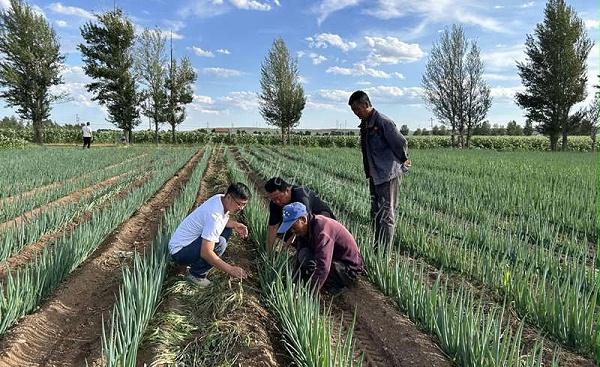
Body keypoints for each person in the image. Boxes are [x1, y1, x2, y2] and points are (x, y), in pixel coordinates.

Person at [348, 90, 410, 250]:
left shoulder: (383, 122)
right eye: (353, 111)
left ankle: (384, 254)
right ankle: (378, 248)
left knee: (386, 216)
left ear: (366, 105)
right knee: (376, 213)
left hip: (387, 175)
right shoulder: (366, 124)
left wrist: (402, 160)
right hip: (374, 175)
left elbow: (401, 143)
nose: (356, 114)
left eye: (357, 110)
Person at [168, 182, 251, 287]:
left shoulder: (220, 198)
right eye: (239, 204)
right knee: (220, 243)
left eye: (244, 204)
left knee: (227, 230)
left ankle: (195, 264)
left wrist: (235, 225)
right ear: (229, 197)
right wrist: (230, 269)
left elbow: (222, 221)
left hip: (184, 244)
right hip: (179, 253)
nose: (241, 208)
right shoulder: (214, 216)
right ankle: (195, 275)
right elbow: (206, 253)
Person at [277, 202, 363, 296]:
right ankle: (318, 280)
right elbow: (299, 255)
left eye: (293, 227)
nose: (292, 231)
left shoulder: (322, 231)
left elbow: (323, 266)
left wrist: (308, 295)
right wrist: (292, 282)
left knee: (310, 260)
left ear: (303, 219)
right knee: (303, 255)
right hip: (333, 259)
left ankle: (335, 285)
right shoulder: (306, 228)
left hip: (348, 269)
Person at [265, 177, 335, 250]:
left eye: (279, 198)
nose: (277, 202)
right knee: (281, 229)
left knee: (306, 237)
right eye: (273, 199)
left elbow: (305, 224)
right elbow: (273, 228)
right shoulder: (275, 203)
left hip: (321, 223)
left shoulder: (301, 196)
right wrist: (269, 253)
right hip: (304, 225)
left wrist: (286, 245)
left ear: (287, 190)